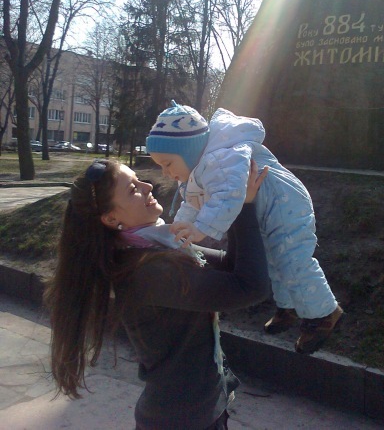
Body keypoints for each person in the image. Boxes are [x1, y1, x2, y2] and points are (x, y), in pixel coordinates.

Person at [44, 158, 269, 430]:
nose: (148, 186)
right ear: (111, 218)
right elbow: (250, 286)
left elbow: (230, 266)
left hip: (191, 413)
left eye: (138, 179)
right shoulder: (148, 270)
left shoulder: (155, 244)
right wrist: (244, 207)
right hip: (182, 420)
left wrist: (229, 204)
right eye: (133, 190)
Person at [146, 101, 343, 355]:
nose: (164, 172)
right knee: (273, 257)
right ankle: (290, 306)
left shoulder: (221, 159)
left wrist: (200, 229)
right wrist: (177, 231)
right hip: (268, 208)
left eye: (167, 163)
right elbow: (192, 203)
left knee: (292, 259)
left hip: (284, 203)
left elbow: (228, 196)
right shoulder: (199, 171)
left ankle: (324, 314)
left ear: (188, 150)